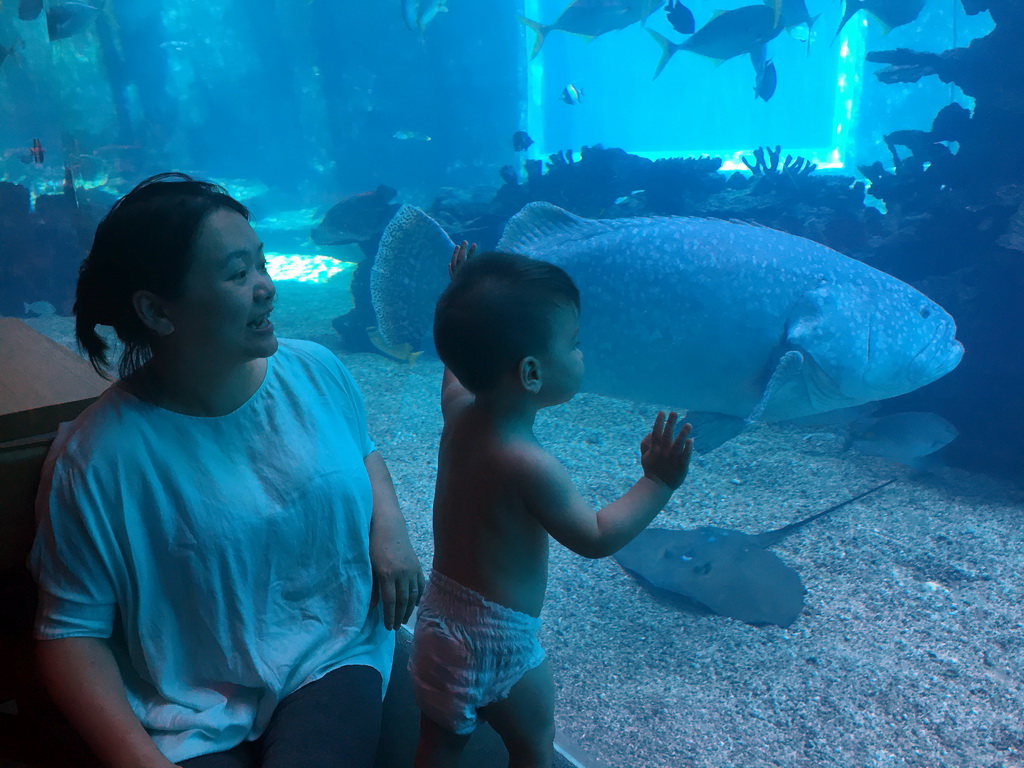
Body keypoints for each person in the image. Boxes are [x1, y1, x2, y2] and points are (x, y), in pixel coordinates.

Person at [28, 172, 424, 768]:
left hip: (334, 650)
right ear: (157, 311)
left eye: (261, 263)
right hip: (184, 704)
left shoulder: (316, 371)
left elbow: (362, 449)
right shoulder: (97, 460)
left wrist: (390, 526)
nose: (266, 287)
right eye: (238, 274)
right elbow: (69, 632)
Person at [409, 243, 694, 768]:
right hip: (501, 640)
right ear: (533, 374)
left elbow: (455, 362)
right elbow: (595, 536)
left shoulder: (458, 411)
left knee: (438, 747)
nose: (582, 354)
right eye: (575, 343)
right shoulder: (526, 462)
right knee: (533, 749)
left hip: (437, 621)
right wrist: (657, 481)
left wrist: (457, 294)